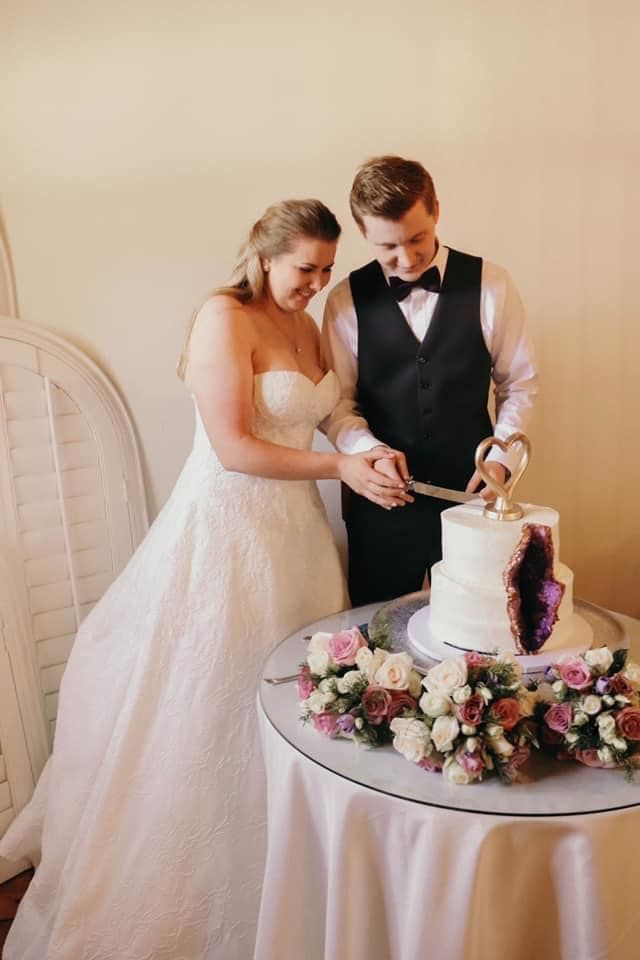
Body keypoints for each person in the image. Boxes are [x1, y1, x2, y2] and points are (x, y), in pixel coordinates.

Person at [0, 198, 407, 960]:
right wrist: (339, 469)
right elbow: (234, 448)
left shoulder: (306, 322)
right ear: (265, 254)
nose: (316, 284)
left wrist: (366, 449)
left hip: (298, 544)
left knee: (294, 699)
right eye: (304, 268)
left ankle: (299, 870)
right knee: (210, 700)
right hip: (228, 534)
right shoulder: (223, 318)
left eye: (325, 269)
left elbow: (327, 412)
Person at [322, 155, 539, 606]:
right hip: (380, 507)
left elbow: (518, 384)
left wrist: (501, 458)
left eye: (417, 238)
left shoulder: (492, 285)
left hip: (473, 496)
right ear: (364, 233)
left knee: (478, 634)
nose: (406, 258)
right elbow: (338, 406)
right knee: (377, 643)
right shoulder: (343, 300)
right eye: (388, 247)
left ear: (436, 209)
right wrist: (369, 452)